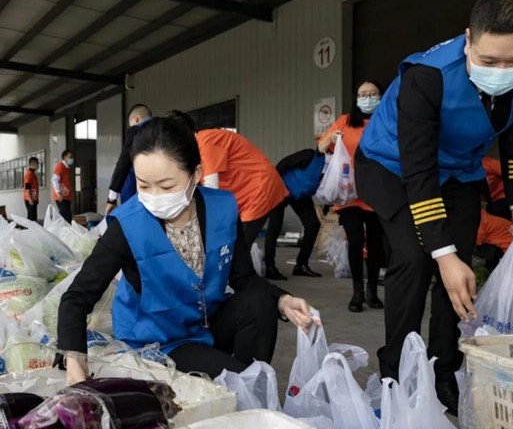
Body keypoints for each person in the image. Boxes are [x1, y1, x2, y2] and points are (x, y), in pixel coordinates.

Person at [354, 0, 513, 414]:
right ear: (469, 38)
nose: (504, 71)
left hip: (459, 169)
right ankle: (396, 374)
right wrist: (441, 251)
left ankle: (444, 370)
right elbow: (418, 168)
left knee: (460, 271)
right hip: (392, 164)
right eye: (490, 60)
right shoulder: (427, 76)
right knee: (415, 257)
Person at [58, 117, 318, 383]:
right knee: (240, 380)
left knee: (259, 303)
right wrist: (75, 361)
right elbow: (77, 296)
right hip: (160, 341)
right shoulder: (127, 225)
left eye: (167, 186)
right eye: (143, 185)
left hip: (204, 322)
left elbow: (244, 278)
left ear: (196, 174)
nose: (154, 196)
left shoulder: (222, 209)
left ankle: (243, 387)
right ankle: (239, 384)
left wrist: (282, 300)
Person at [167, 110, 289, 245]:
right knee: (236, 244)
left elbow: (212, 188)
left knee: (239, 246)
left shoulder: (205, 142)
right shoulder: (198, 147)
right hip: (247, 193)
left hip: (259, 190)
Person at [319, 80, 386, 312]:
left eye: (373, 94)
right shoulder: (345, 121)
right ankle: (357, 292)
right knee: (355, 242)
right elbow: (321, 147)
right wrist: (330, 139)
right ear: (356, 98)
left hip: (377, 192)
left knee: (376, 244)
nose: (368, 98)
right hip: (348, 194)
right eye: (363, 94)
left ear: (381, 96)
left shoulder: (387, 121)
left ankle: (372, 291)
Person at [264, 149, 325, 280]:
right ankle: (270, 267)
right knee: (275, 226)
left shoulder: (331, 167)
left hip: (300, 194)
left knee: (313, 225)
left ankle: (301, 265)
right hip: (280, 188)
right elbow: (284, 163)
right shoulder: (309, 155)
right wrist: (274, 183)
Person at [105, 104, 152, 215]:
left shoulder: (136, 130)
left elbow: (123, 164)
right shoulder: (164, 129)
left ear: (135, 119)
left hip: (141, 195)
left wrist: (112, 199)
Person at [481, 156, 512, 220]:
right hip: (491, 202)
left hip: (505, 196)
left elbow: (508, 173)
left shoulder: (485, 163)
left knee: (496, 210)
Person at [51, 150, 74, 223]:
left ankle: (64, 229)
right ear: (65, 157)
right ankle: (60, 228)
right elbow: (54, 180)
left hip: (65, 196)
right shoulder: (60, 166)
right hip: (61, 195)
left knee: (67, 216)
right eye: (70, 157)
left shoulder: (66, 168)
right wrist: (59, 193)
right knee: (65, 215)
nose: (71, 159)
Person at [24, 156, 40, 222]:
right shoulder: (29, 174)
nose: (38, 165)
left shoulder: (33, 174)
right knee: (32, 218)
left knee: (32, 217)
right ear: (32, 164)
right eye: (37, 163)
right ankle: (29, 228)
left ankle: (29, 228)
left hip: (33, 199)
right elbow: (27, 187)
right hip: (30, 199)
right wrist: (30, 199)